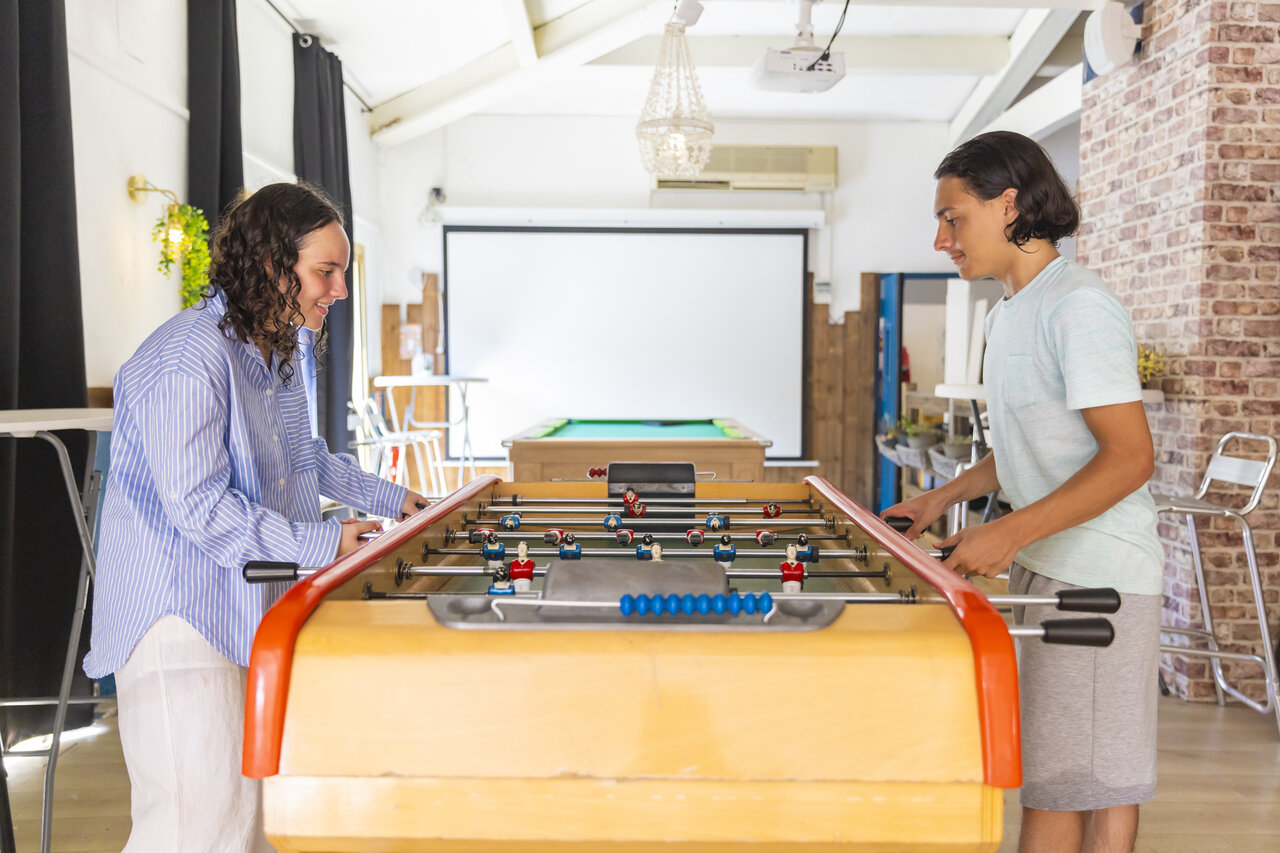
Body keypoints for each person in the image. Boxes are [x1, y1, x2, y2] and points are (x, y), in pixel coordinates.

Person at [84, 182, 427, 852]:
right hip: (178, 615)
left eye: (341, 272)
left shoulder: (279, 349)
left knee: (252, 822)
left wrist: (398, 500)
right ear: (273, 265)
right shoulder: (189, 357)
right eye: (325, 271)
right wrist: (325, 542)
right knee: (196, 825)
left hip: (247, 605)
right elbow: (201, 508)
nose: (340, 290)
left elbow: (305, 459)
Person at [881, 131, 1163, 853]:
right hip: (1049, 564)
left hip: (1100, 574)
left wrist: (1006, 532)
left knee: (1074, 785)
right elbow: (1021, 446)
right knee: (1063, 776)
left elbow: (1131, 458)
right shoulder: (1009, 312)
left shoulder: (1078, 306)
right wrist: (940, 498)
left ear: (1009, 205)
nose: (941, 239)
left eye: (953, 218)